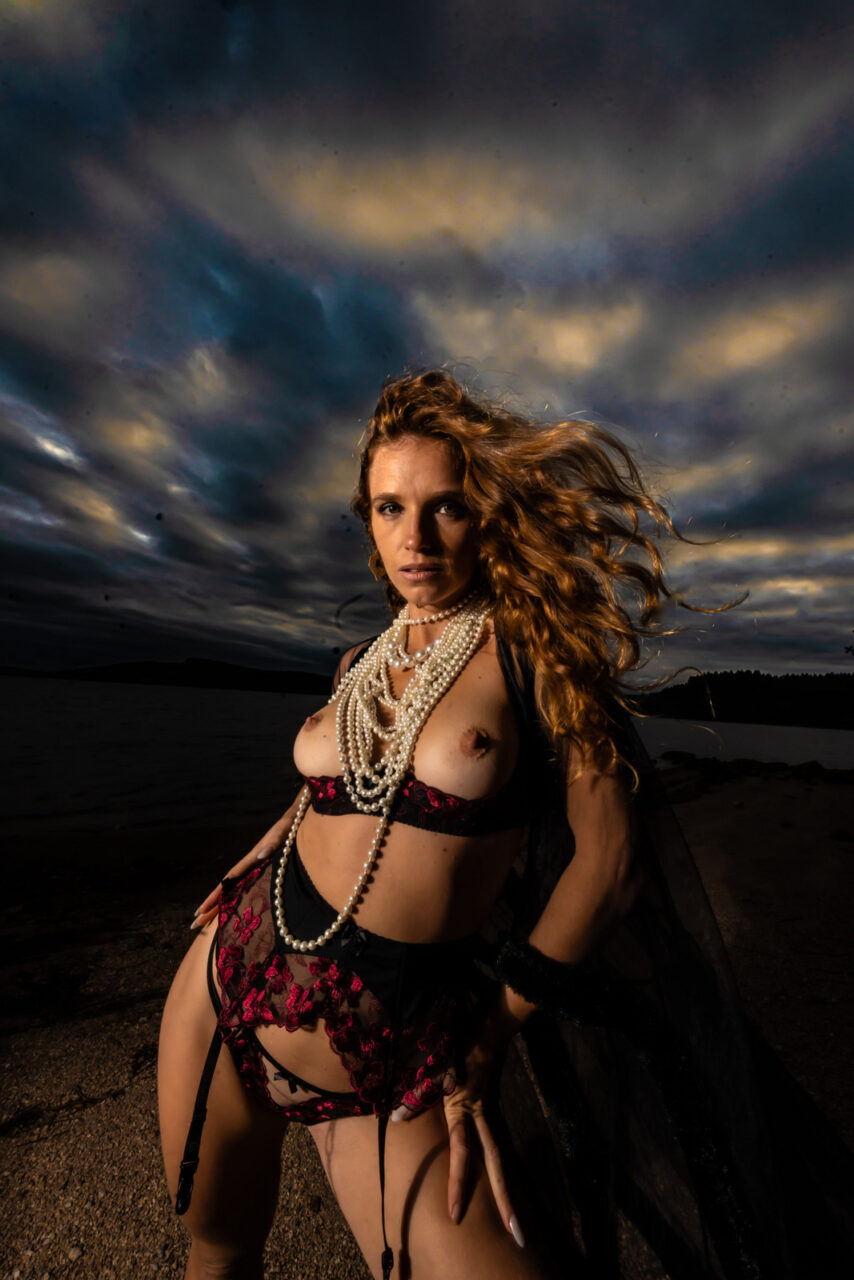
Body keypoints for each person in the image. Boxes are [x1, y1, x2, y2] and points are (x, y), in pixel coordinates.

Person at [157, 370, 820, 1280]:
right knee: (218, 1252)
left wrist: (496, 1029)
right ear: (367, 520)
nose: (416, 538)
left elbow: (612, 863)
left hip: (392, 1050)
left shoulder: (539, 654)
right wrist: (274, 837)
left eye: (447, 506)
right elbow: (352, 785)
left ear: (487, 513)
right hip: (230, 979)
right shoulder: (357, 662)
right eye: (389, 509)